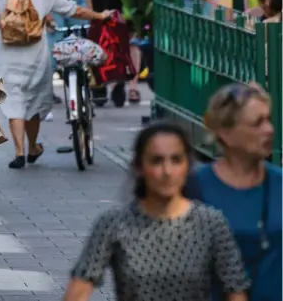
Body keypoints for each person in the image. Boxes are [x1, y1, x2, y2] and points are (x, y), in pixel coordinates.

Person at [64, 122, 250, 301]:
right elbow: (79, 287)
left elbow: (235, 289)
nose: (167, 171)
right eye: (156, 161)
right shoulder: (115, 224)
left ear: (187, 166)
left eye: (176, 160)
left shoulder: (211, 223)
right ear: (140, 167)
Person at [0, 0, 109, 169]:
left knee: (15, 104)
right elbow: (75, 10)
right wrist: (100, 16)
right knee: (34, 102)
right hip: (34, 58)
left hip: (8, 57)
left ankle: (19, 152)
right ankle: (32, 147)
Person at [186, 83, 282, 301]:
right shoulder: (194, 189)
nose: (269, 129)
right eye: (257, 123)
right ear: (225, 133)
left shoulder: (280, 184)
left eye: (268, 120)